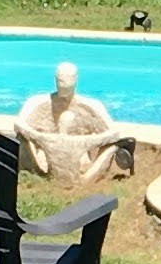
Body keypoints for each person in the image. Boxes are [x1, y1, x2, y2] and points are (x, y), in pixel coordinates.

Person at [17, 59, 126, 187]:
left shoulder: (91, 107)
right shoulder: (37, 104)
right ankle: (39, 174)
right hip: (45, 159)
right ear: (55, 79)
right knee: (22, 139)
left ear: (75, 80)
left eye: (67, 81)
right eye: (60, 80)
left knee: (109, 148)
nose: (63, 84)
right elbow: (20, 125)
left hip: (80, 162)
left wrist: (86, 142)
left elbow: (112, 134)